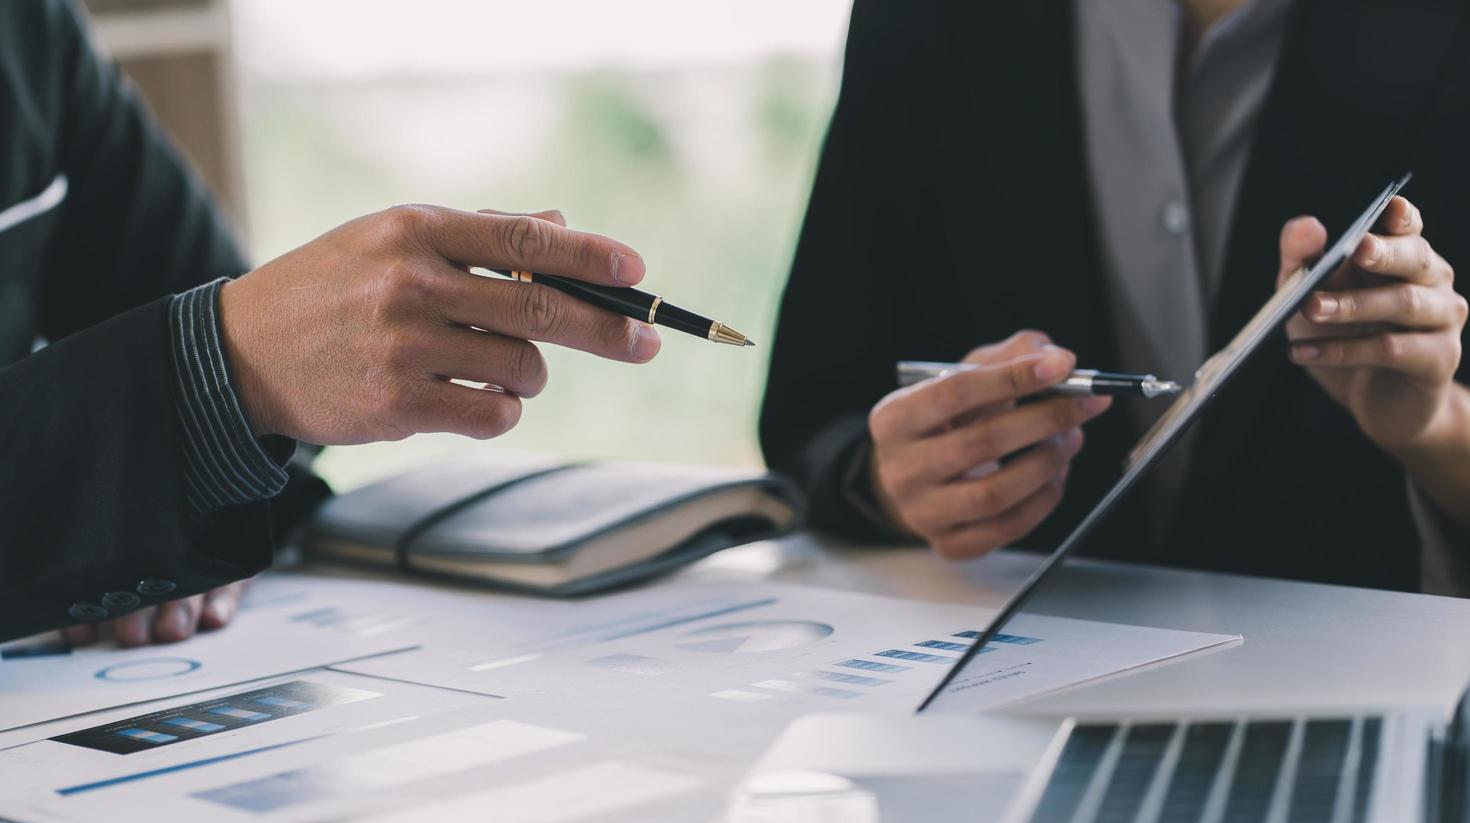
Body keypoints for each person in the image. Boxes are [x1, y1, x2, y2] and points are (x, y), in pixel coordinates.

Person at [0, 0, 660, 644]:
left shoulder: (30, 24)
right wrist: (225, 371)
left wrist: (185, 475)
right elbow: (240, 357)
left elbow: (244, 346)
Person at [761, 0, 1470, 595]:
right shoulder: (925, 20)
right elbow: (812, 425)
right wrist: (892, 485)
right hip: (1010, 699)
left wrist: (1437, 427)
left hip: (1376, 699)